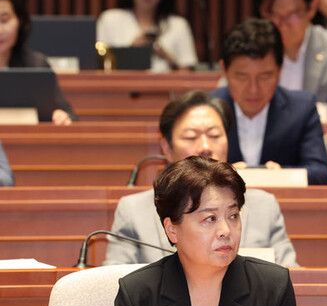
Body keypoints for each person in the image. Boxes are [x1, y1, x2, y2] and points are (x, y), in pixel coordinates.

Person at [107, 155, 298, 306]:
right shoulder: (137, 294)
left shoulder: (272, 288)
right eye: (210, 219)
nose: (226, 230)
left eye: (233, 216)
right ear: (172, 230)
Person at [104, 91, 298, 268]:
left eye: (214, 135)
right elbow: (114, 281)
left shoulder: (264, 206)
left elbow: (291, 277)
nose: (205, 146)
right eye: (191, 137)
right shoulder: (134, 211)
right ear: (167, 147)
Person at [212, 18, 327, 185]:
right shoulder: (205, 110)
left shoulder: (302, 109)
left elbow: (321, 173)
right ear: (224, 70)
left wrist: (281, 176)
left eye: (265, 76)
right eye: (242, 77)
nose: (253, 89)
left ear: (280, 71)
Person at [260, 0, 327, 122]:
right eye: (276, 15)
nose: (283, 23)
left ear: (311, 8)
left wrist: (297, 115)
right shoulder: (259, 47)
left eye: (292, 14)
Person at [0, 0, 75, 125]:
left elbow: (68, 114)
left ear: (20, 21)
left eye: (4, 20)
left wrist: (61, 116)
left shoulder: (35, 65)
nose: (0, 30)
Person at [96, 0, 198, 72]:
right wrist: (132, 51)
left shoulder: (178, 24)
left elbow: (188, 71)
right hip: (119, 86)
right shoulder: (110, 19)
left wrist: (165, 55)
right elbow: (97, 64)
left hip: (166, 85)